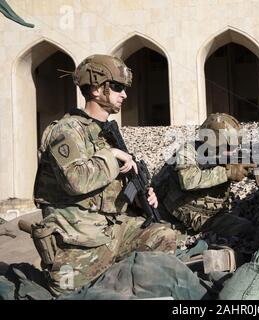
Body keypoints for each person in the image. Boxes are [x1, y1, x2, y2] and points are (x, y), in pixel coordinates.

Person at [32, 54, 176, 296]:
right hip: (78, 242)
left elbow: (111, 192)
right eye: (118, 87)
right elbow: (75, 180)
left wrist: (140, 199)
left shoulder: (105, 132)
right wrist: (112, 155)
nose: (125, 94)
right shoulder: (66, 130)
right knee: (78, 295)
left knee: (163, 235)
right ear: (97, 89)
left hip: (112, 231)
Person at [154, 113, 255, 236]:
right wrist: (227, 172)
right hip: (175, 218)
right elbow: (188, 180)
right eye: (228, 146)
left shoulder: (228, 155)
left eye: (234, 145)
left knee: (251, 225)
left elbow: (253, 167)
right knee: (243, 228)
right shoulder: (188, 151)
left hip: (211, 215)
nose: (232, 150)